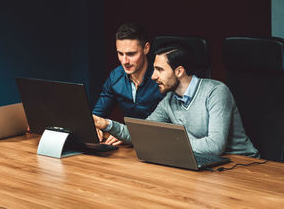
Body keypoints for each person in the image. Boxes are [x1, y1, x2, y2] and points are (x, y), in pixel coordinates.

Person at [94, 41, 259, 157]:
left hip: (243, 164)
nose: (153, 76)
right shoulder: (169, 100)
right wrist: (107, 124)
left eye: (159, 69)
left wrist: (168, 141)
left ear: (179, 71)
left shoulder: (216, 92)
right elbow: (143, 133)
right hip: (207, 165)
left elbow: (215, 146)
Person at [92, 22, 164, 145]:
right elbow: (97, 115)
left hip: (158, 146)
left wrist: (126, 133)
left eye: (131, 54)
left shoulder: (162, 78)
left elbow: (170, 126)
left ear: (146, 48)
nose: (125, 61)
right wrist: (95, 126)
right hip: (129, 151)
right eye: (120, 53)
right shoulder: (116, 76)